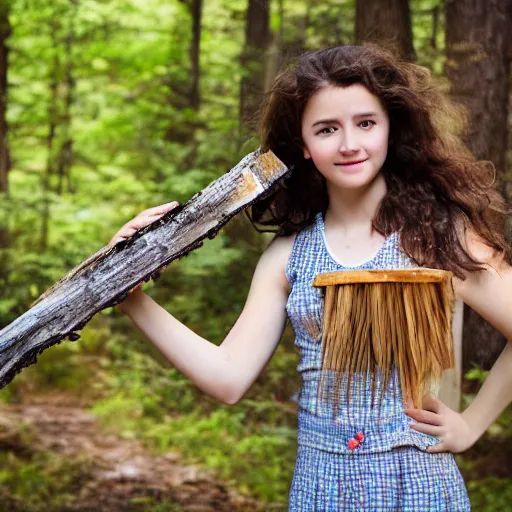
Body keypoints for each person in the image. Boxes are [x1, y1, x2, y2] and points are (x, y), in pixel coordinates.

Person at [110, 45, 512, 511]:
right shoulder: (289, 256)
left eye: (365, 123)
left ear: (389, 128)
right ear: (303, 144)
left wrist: (472, 424)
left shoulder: (438, 238)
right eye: (326, 129)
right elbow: (228, 379)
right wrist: (130, 296)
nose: (349, 144)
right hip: (320, 489)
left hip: (418, 488)